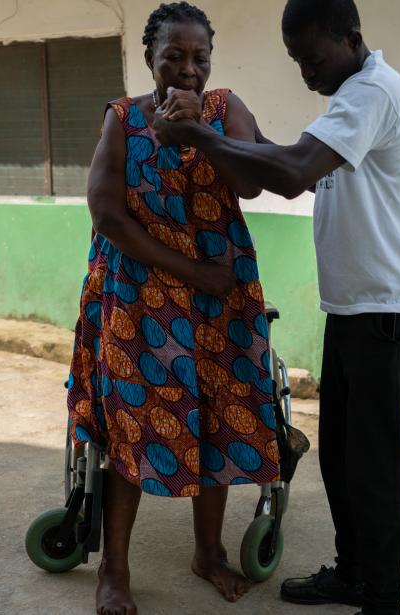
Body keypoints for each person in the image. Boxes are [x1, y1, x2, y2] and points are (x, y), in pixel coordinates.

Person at [152, 1, 400, 614]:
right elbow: (295, 165)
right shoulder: (350, 97)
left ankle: (383, 599)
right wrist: (231, 137)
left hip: (385, 312)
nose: (306, 73)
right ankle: (355, 571)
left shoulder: (372, 93)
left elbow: (292, 172)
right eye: (296, 61)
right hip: (357, 309)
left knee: (375, 465)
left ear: (350, 39)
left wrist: (199, 134)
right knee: (340, 456)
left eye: (313, 58)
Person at [65, 3, 282, 614]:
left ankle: (207, 553)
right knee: (133, 427)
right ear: (150, 61)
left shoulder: (226, 109)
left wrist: (201, 133)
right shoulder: (124, 119)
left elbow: (250, 182)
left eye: (200, 58)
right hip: (141, 302)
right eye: (174, 58)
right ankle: (114, 569)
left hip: (220, 304)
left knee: (214, 418)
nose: (189, 70)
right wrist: (189, 272)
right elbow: (107, 214)